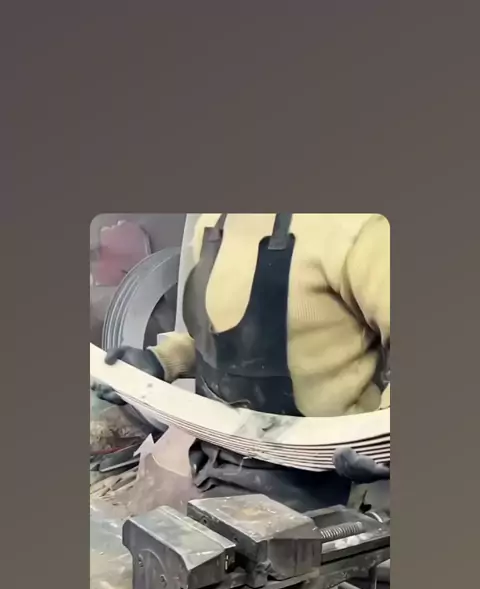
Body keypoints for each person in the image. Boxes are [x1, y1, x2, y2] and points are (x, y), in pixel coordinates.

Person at [94, 213, 390, 514]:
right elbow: (221, 340)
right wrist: (160, 362)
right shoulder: (213, 224)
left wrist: (383, 441)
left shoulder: (358, 230)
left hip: (327, 480)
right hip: (216, 458)